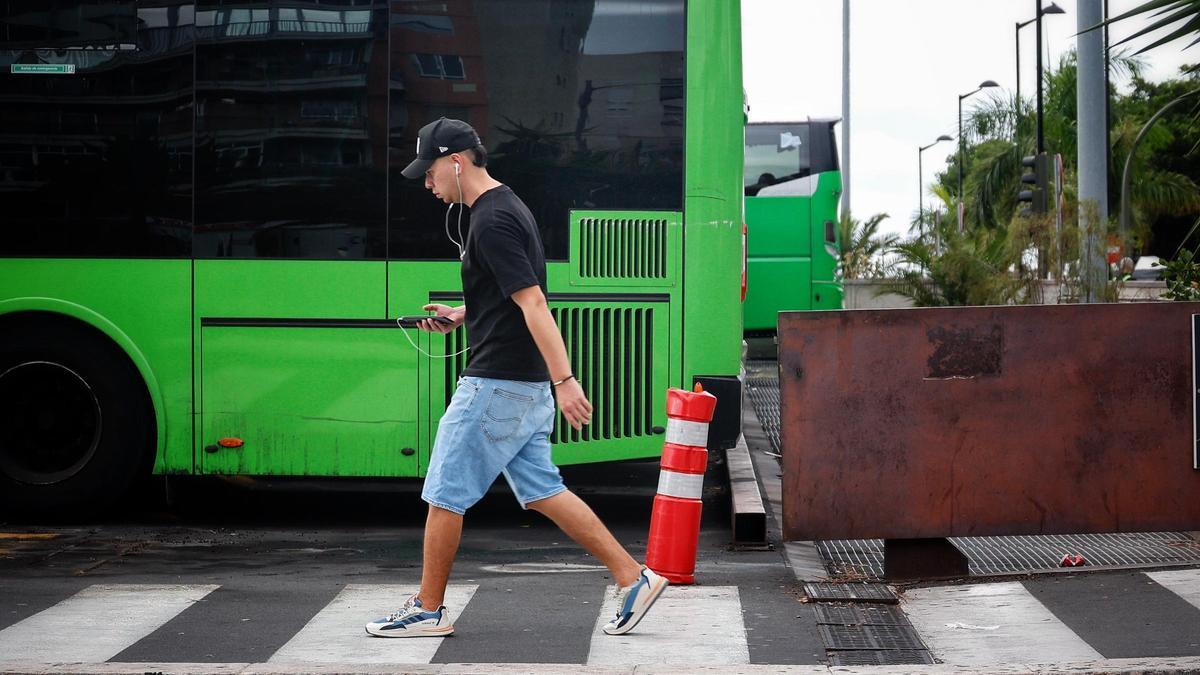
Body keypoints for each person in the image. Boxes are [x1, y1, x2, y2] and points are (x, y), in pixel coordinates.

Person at [365, 118, 667, 638]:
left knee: (443, 493)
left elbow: (534, 303)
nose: (427, 183)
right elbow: (509, 291)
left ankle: (428, 609)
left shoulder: (491, 221)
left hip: (497, 382)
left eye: (431, 171)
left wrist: (566, 380)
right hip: (519, 384)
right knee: (543, 490)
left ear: (456, 161)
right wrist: (466, 311)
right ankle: (633, 577)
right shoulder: (505, 205)